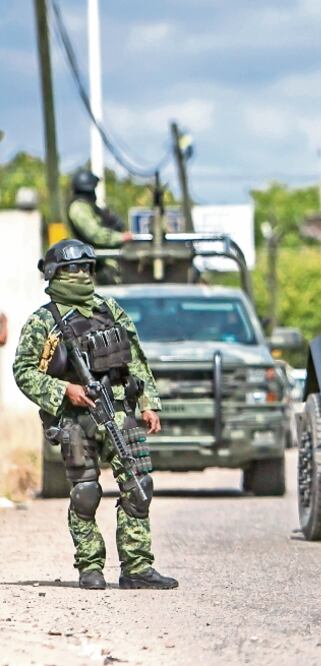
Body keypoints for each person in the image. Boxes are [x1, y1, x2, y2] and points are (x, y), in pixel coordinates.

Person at [13, 239, 177, 590]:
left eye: (87, 268)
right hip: (75, 416)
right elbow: (24, 370)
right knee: (85, 493)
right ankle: (90, 567)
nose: (82, 275)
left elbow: (135, 357)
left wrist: (148, 402)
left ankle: (137, 568)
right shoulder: (44, 321)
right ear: (56, 274)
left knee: (139, 485)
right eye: (73, 269)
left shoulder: (110, 309)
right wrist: (64, 391)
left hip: (119, 411)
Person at [66, 170, 133, 283]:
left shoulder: (89, 207)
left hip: (104, 263)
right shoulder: (78, 208)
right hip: (95, 267)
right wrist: (121, 237)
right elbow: (95, 234)